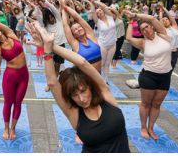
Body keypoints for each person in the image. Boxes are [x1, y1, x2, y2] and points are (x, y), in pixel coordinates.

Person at [28, 21, 130, 152]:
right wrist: (47, 50)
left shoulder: (105, 94)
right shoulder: (74, 113)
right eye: (74, 95)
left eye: (83, 91)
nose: (81, 99)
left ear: (91, 87)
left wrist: (52, 46)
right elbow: (53, 82)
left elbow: (83, 63)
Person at [125, 9, 174, 139]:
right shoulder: (143, 43)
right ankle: (143, 127)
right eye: (142, 29)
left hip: (165, 76)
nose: (145, 30)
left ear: (152, 27)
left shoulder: (163, 34)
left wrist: (135, 15)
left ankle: (151, 128)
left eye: (147, 27)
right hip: (148, 76)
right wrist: (130, 22)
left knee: (156, 104)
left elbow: (152, 18)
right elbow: (129, 38)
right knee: (146, 104)